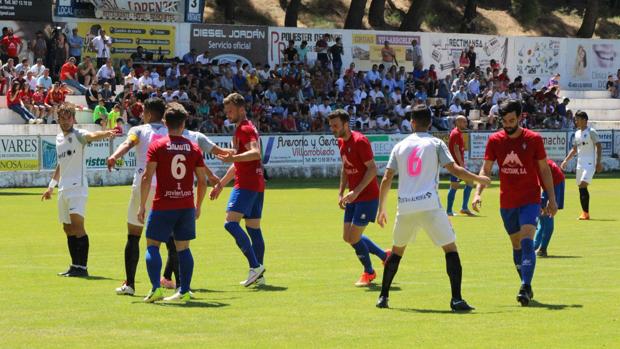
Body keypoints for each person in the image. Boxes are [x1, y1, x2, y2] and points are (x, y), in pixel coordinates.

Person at [375, 105, 489, 310]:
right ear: (430, 123)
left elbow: (386, 178)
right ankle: (456, 299)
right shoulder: (435, 143)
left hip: (405, 207)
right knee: (450, 248)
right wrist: (478, 178)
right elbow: (454, 169)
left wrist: (381, 208)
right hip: (429, 205)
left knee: (396, 252)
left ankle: (383, 297)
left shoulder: (399, 146)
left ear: (412, 122)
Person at [106, 98, 224, 296]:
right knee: (176, 242)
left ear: (149, 114)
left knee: (135, 236)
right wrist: (211, 177)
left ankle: (132, 284)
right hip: (172, 191)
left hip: (147, 188)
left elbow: (128, 144)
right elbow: (196, 159)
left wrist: (114, 156)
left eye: (143, 112)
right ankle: (180, 285)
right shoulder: (183, 135)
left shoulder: (141, 131)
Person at [472, 99, 558, 306]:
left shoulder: (534, 139)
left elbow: (544, 170)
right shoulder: (495, 140)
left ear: (520, 117)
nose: (508, 125)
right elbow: (485, 169)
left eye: (512, 120)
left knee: (528, 240)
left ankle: (525, 286)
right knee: (516, 244)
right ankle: (525, 282)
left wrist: (552, 198)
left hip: (530, 199)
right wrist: (478, 192)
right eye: (505, 121)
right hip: (507, 201)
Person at [138, 103, 208, 302]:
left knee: (152, 245)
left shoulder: (158, 145)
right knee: (183, 248)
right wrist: (198, 205)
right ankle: (184, 290)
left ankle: (155, 289)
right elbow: (202, 180)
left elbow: (146, 176)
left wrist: (142, 205)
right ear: (184, 123)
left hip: (163, 204)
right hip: (186, 205)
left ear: (165, 123)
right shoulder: (193, 147)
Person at [41, 103, 116, 277]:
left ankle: (82, 268)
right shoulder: (59, 138)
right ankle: (74, 266)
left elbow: (92, 135)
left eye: (68, 118)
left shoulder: (78, 135)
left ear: (73, 119)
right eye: (62, 118)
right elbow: (61, 164)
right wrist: (51, 187)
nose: (65, 121)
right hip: (63, 189)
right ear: (58, 119)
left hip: (77, 188)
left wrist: (106, 133)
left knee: (78, 226)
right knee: (67, 228)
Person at [209, 92, 267, 287]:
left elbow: (255, 153)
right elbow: (240, 161)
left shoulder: (245, 129)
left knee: (230, 223)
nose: (228, 114)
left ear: (241, 109)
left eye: (231, 111)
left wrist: (233, 157)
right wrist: (221, 183)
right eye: (226, 111)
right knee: (253, 228)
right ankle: (259, 273)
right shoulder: (245, 128)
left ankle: (255, 266)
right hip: (256, 184)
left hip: (247, 184)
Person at [328, 109, 389, 286]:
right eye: (331, 125)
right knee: (347, 237)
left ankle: (369, 272)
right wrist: (341, 192)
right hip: (353, 197)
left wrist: (356, 191)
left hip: (367, 196)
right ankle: (385, 256)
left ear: (346, 125)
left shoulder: (360, 141)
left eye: (335, 125)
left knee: (354, 238)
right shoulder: (341, 142)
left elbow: (372, 169)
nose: (332, 129)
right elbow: (345, 168)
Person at [560, 111, 602, 220]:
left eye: (577, 119)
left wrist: (598, 162)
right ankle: (585, 213)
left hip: (589, 163)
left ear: (584, 120)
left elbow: (599, 146)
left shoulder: (591, 132)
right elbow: (574, 150)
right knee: (581, 187)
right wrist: (565, 161)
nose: (575, 121)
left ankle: (585, 213)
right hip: (580, 164)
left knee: (583, 185)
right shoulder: (577, 133)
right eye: (575, 119)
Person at [534, 159, 565, 257]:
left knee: (547, 215)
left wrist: (549, 199)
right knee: (542, 217)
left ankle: (542, 249)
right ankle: (534, 247)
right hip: (553, 182)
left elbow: (537, 184)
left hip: (556, 183)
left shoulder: (534, 162)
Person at [446, 116, 475, 216]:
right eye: (464, 122)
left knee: (469, 182)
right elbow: (456, 149)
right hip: (457, 166)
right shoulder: (456, 133)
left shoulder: (457, 132)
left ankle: (462, 208)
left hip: (457, 165)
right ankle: (451, 210)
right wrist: (461, 166)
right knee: (455, 186)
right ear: (458, 122)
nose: (466, 124)